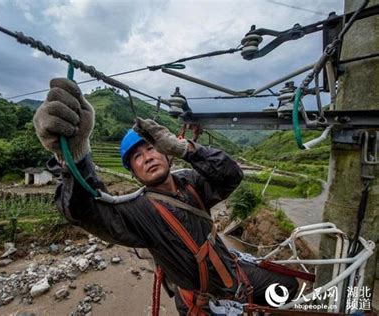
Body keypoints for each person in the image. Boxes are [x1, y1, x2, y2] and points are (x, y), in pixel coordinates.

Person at [33, 78, 298, 315]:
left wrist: (187, 149)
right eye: (137, 157)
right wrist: (74, 154)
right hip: (203, 301)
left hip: (234, 272)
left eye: (151, 149)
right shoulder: (138, 211)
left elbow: (231, 175)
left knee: (289, 284)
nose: (146, 157)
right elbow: (84, 210)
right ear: (134, 173)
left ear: (166, 154)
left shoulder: (191, 183)